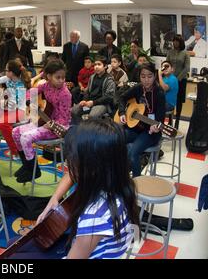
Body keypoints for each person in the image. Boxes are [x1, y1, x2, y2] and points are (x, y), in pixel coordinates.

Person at [36, 119, 139, 259]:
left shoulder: (94, 218)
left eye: (72, 159)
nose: (67, 163)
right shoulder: (121, 183)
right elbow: (71, 175)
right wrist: (54, 198)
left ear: (90, 167)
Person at [12, 60, 72, 183]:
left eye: (63, 77)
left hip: (58, 127)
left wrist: (51, 125)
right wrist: (29, 100)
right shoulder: (46, 85)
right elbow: (31, 92)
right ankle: (27, 166)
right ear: (49, 77)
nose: (61, 80)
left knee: (25, 138)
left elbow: (64, 119)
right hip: (45, 120)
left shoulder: (65, 94)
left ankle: (35, 171)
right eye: (58, 77)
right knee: (15, 132)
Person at [118, 63, 166, 177]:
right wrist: (122, 112)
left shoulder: (159, 93)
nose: (146, 80)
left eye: (149, 76)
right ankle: (120, 175)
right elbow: (121, 97)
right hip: (136, 128)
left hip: (150, 132)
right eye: (143, 76)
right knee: (115, 139)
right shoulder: (138, 88)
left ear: (155, 76)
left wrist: (156, 128)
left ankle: (137, 182)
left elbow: (160, 120)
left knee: (133, 153)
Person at [0, 60, 30, 157]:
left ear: (11, 72)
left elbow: (17, 103)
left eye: (6, 70)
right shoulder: (8, 78)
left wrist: (5, 103)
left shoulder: (21, 84)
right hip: (8, 108)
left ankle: (16, 150)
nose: (5, 72)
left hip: (19, 110)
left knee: (3, 124)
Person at [71, 56, 115, 124]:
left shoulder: (109, 79)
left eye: (99, 64)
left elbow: (109, 97)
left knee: (92, 116)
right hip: (89, 103)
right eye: (95, 65)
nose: (96, 67)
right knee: (73, 111)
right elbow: (87, 92)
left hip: (102, 104)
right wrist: (84, 101)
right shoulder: (92, 77)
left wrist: (93, 103)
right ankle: (79, 128)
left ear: (105, 66)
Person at [166, 34, 190, 129]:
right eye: (174, 41)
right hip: (170, 80)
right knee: (170, 100)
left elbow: (187, 68)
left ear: (181, 42)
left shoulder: (185, 53)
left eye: (177, 41)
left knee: (179, 101)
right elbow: (166, 64)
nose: (175, 43)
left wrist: (177, 78)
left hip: (181, 81)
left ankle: (177, 120)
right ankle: (170, 121)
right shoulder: (170, 52)